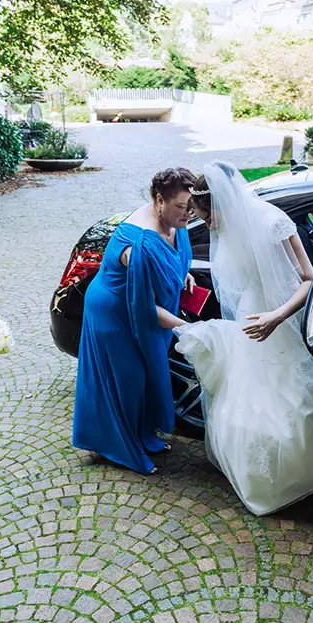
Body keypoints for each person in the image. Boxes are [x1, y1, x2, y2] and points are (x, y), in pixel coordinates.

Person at [174, 162, 313, 516]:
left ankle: (302, 469)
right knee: (247, 398)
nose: (207, 225)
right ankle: (261, 476)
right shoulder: (226, 229)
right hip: (250, 317)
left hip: (279, 318)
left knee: (294, 398)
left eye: (207, 217)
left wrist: (277, 316)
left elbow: (309, 278)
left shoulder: (273, 223)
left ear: (222, 204)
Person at [73, 168, 196, 475]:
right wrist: (188, 328)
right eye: (182, 207)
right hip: (114, 312)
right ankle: (119, 448)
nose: (188, 214)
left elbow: (171, 261)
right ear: (159, 200)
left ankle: (142, 435)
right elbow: (145, 308)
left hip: (138, 305)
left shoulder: (172, 220)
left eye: (192, 207)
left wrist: (183, 274)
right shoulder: (140, 244)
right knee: (128, 380)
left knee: (142, 379)